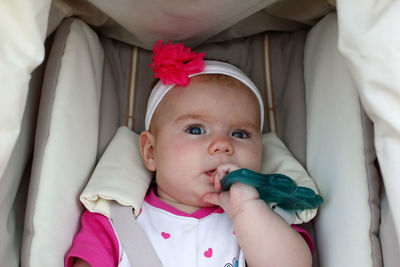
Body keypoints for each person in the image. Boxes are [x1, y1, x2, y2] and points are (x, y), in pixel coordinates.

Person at [66, 41, 313, 267]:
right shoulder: (116, 221)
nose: (222, 145)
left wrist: (247, 208)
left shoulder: (264, 221)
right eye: (196, 129)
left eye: (240, 134)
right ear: (151, 152)